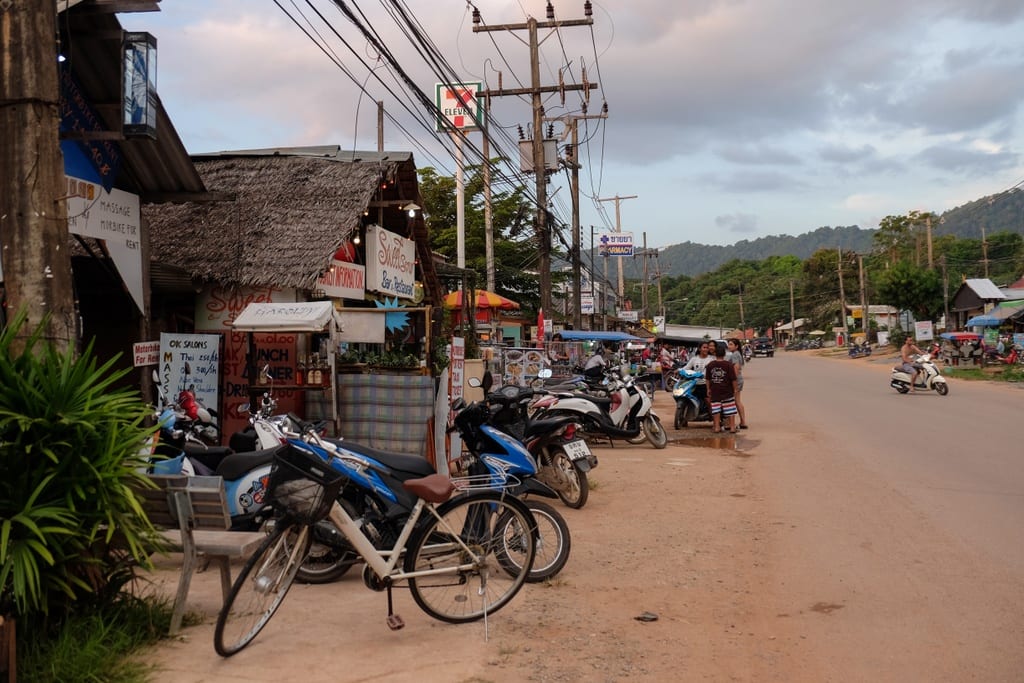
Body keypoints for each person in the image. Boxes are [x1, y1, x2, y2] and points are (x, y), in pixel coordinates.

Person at [704, 342, 739, 433]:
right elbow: (733, 379)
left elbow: (707, 379)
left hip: (715, 390)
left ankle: (716, 427)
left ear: (715, 354)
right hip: (727, 391)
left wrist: (708, 389)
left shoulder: (710, 365)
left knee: (716, 410)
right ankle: (732, 427)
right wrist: (735, 389)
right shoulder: (728, 365)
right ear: (724, 354)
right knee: (730, 408)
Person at [726, 338, 748, 429]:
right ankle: (743, 422)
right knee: (737, 401)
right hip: (739, 380)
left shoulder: (735, 355)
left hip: (736, 381)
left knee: (735, 401)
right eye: (729, 344)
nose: (729, 346)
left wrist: (732, 381)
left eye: (731, 344)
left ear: (736, 346)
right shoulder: (738, 354)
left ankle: (740, 422)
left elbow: (736, 368)